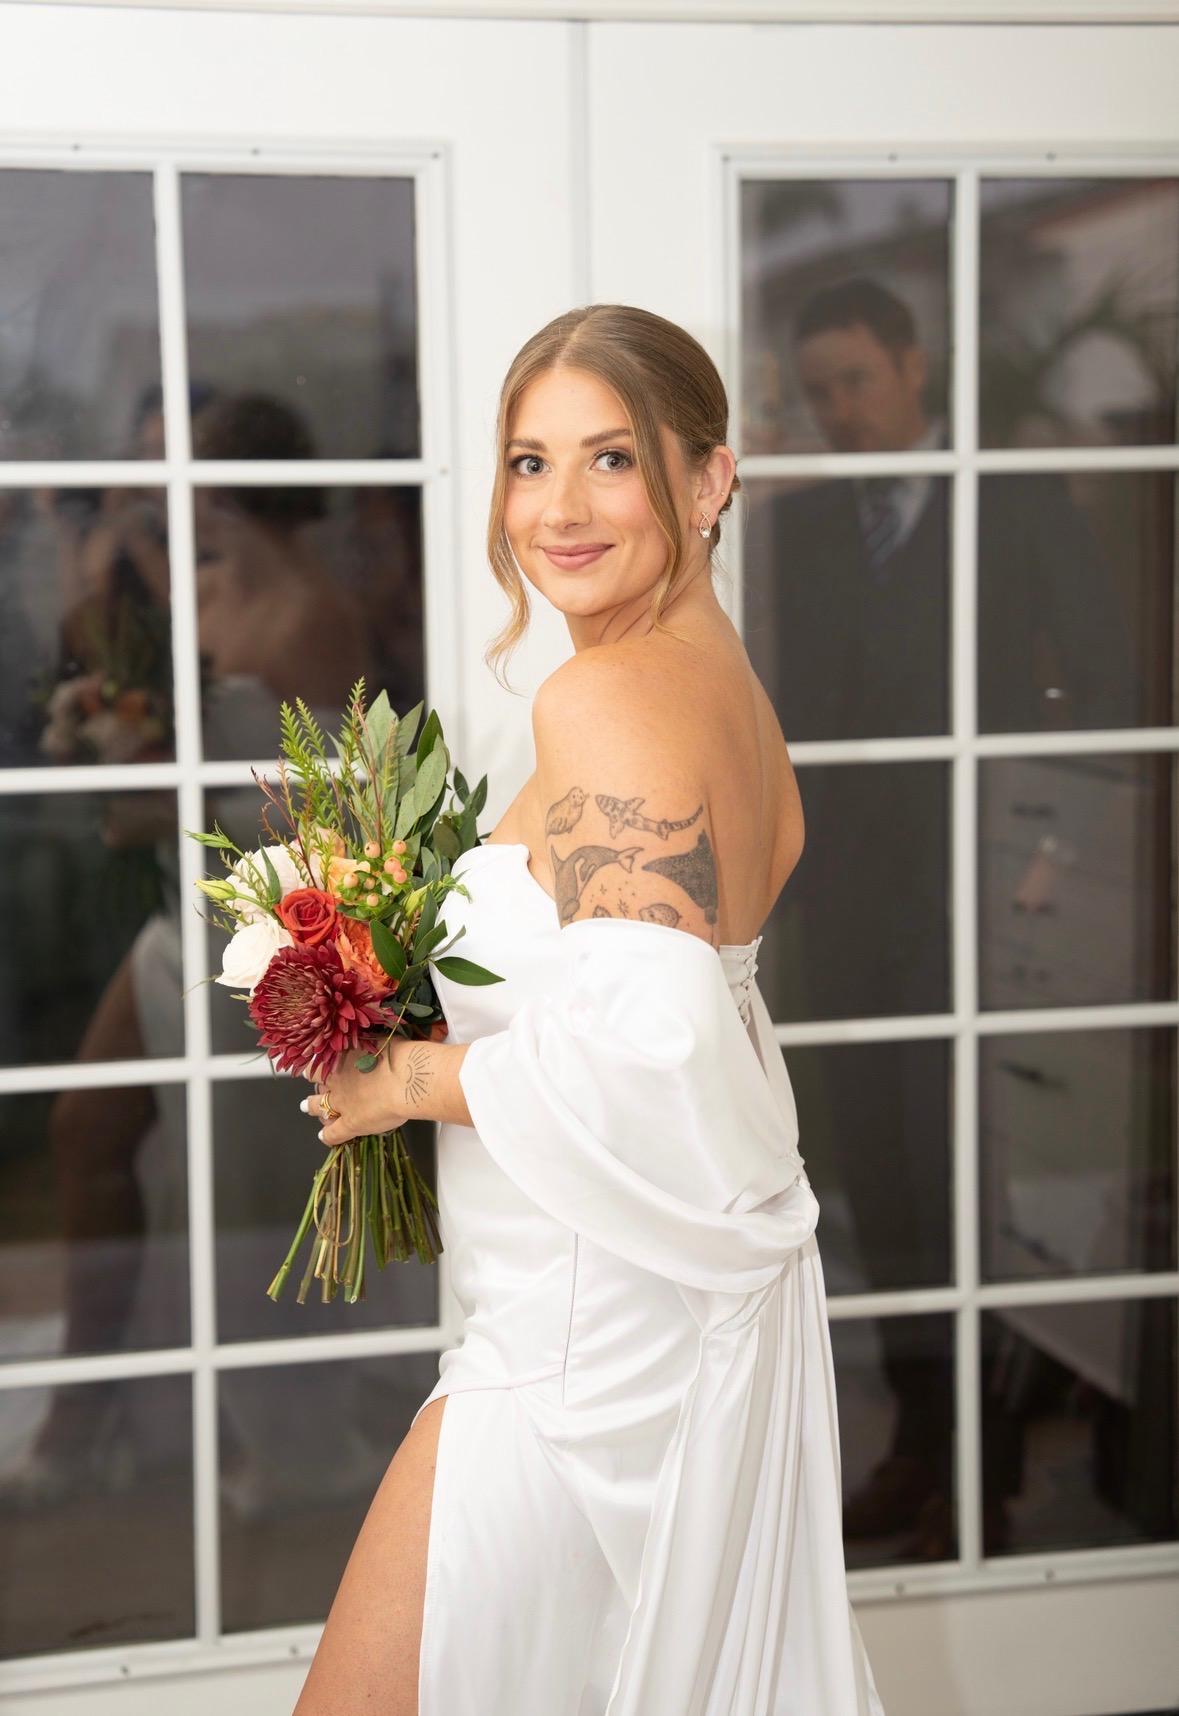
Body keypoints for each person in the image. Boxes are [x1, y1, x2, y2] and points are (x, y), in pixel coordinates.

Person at [289, 304, 887, 1715]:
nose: (557, 509)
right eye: (529, 462)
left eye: (612, 458)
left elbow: (654, 1041)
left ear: (710, 478)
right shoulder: (726, 691)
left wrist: (408, 1082)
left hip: (576, 1347)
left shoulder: (608, 696)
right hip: (632, 1304)